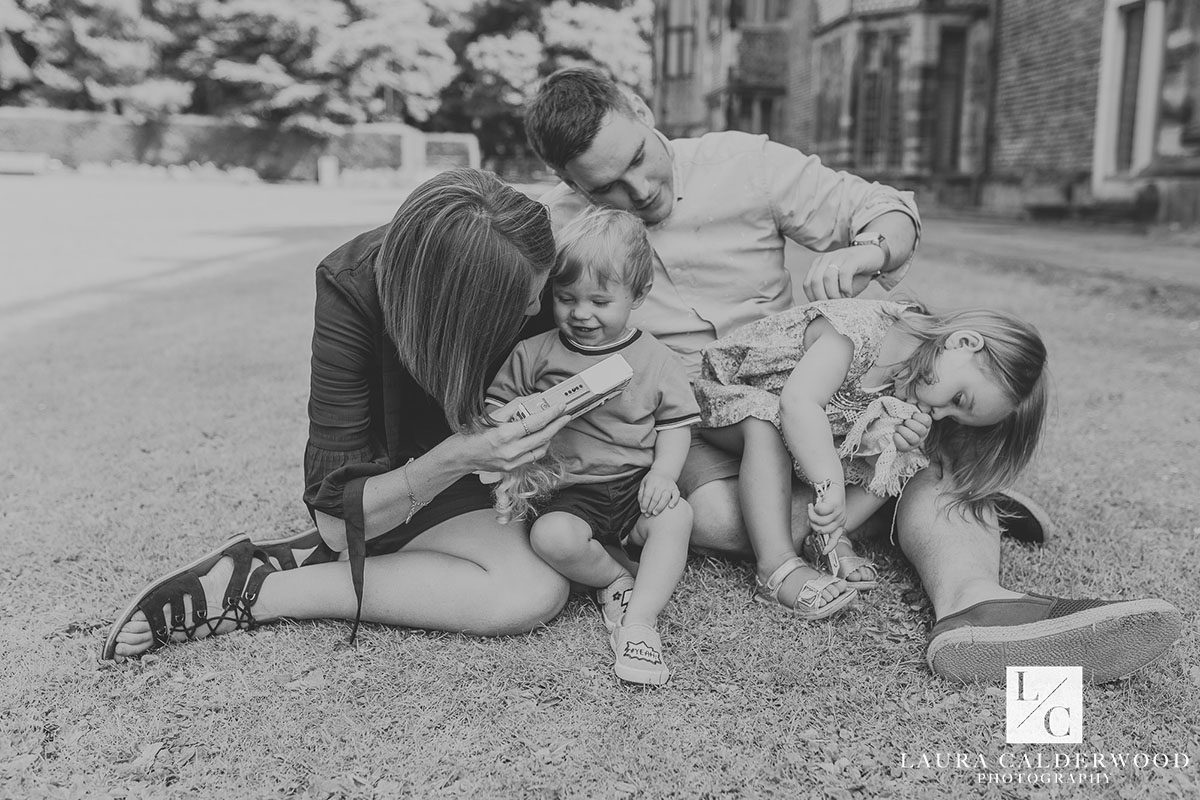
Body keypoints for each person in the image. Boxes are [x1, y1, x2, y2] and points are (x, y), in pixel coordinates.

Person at [523, 67, 1182, 684]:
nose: (637, 192)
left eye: (638, 158)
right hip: (697, 426)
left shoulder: (744, 164)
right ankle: (932, 507)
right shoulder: (555, 228)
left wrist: (869, 248)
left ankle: (974, 605)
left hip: (802, 393)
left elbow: (882, 208)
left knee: (911, 431)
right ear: (565, 181)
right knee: (719, 517)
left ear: (640, 109)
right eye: (603, 186)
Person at [102, 168, 575, 660]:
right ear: (459, 310)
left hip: (486, 478)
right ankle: (256, 590)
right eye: (521, 307)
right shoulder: (351, 288)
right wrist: (459, 456)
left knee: (559, 559)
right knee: (527, 593)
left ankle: (361, 545)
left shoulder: (529, 264)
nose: (539, 309)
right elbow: (335, 514)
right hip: (407, 473)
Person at [695, 299, 1047, 619]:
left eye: (953, 415)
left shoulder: (912, 378)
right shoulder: (857, 331)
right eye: (957, 398)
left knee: (906, 454)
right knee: (765, 424)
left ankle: (831, 536)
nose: (940, 414)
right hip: (731, 398)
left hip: (807, 433)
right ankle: (775, 565)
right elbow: (799, 403)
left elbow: (859, 435)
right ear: (962, 343)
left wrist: (895, 445)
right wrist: (828, 481)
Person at [486, 207, 699, 685]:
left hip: (634, 485)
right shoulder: (535, 352)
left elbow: (675, 425)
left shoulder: (657, 358)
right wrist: (523, 410)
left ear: (638, 294)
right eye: (565, 298)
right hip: (567, 490)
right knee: (550, 539)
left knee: (677, 517)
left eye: (600, 301)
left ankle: (640, 622)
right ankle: (613, 578)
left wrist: (664, 475)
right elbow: (497, 409)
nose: (580, 314)